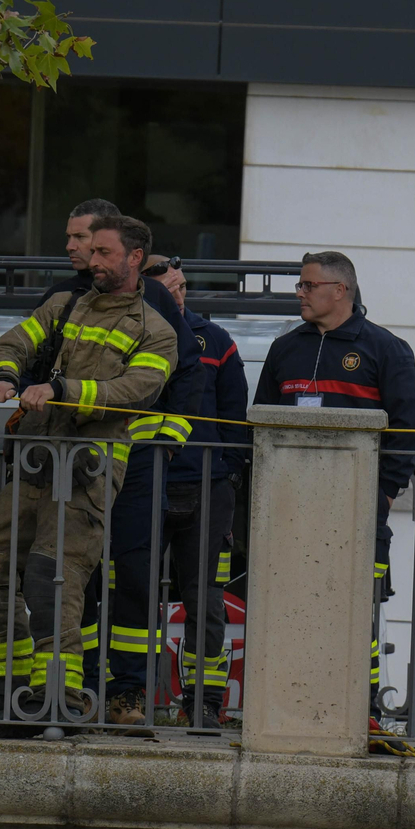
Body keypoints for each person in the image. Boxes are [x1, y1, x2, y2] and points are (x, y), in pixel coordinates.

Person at [0, 215, 178, 733]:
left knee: (51, 579)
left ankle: (57, 695)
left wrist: (60, 391)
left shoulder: (158, 331)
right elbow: (13, 341)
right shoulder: (64, 305)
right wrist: (4, 374)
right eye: (92, 250)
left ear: (134, 258)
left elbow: (131, 392)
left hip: (89, 474)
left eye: (104, 252)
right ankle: (7, 687)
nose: (92, 260)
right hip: (38, 462)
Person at [34, 199, 205, 727]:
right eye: (73, 239)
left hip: (131, 462)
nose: (74, 248)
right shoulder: (63, 299)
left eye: (84, 239)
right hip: (68, 460)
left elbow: (187, 376)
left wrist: (165, 443)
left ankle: (128, 690)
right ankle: (77, 686)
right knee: (72, 575)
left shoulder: (151, 300)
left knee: (131, 576)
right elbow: (36, 362)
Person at [252, 250, 415, 730]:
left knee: (355, 613)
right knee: (286, 606)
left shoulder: (385, 348)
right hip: (287, 510)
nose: (299, 293)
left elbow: (407, 429)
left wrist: (384, 493)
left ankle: (360, 711)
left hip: (358, 509)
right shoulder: (286, 348)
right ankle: (288, 709)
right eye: (301, 286)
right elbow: (261, 420)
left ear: (339, 290)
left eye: (308, 285)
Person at [144, 255, 248, 729]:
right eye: (171, 289)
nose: (180, 296)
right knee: (129, 591)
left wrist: (225, 470)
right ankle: (128, 694)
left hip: (205, 486)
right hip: (143, 482)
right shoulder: (132, 334)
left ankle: (203, 702)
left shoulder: (216, 340)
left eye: (183, 286)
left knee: (203, 598)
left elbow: (233, 415)